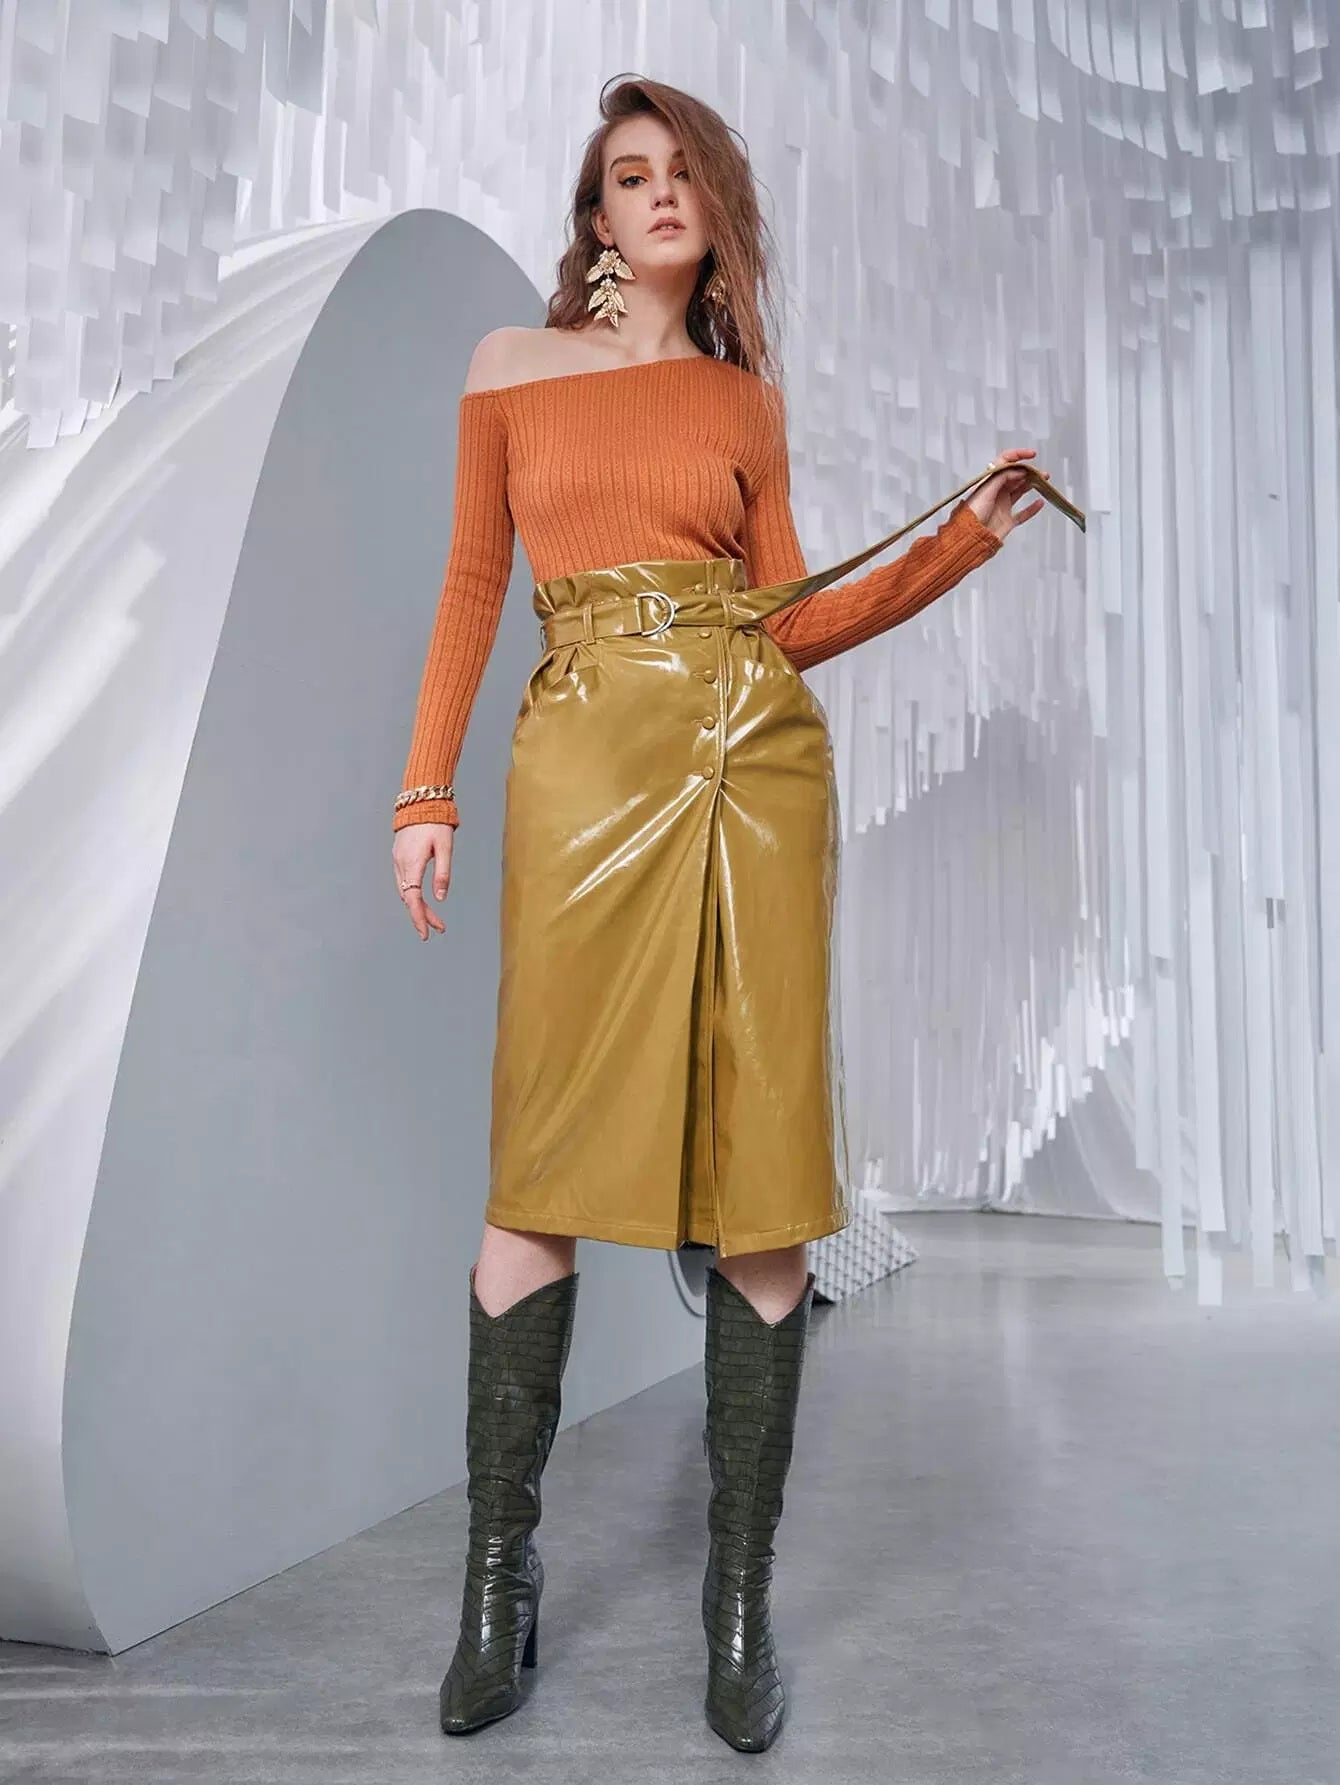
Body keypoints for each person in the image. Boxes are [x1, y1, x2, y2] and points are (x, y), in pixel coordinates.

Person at [390, 74, 1069, 1753]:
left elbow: (791, 617)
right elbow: (474, 579)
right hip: (582, 764)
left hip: (751, 768)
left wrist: (959, 547)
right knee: (537, 1173)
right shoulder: (508, 367)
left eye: (684, 170)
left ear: (711, 214)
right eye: (632, 174)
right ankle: (496, 1583)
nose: (662, 192)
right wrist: (425, 791)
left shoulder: (740, 404)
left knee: (763, 1184)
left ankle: (739, 1607)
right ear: (597, 218)